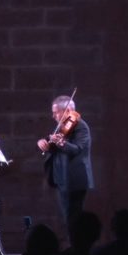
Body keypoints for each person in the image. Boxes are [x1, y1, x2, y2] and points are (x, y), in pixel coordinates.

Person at [36, 94, 94, 229]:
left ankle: (76, 247)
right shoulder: (65, 125)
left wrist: (61, 143)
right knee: (68, 218)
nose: (53, 116)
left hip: (74, 180)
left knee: (73, 218)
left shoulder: (81, 126)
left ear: (67, 111)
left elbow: (77, 149)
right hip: (62, 179)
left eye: (56, 112)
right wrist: (43, 142)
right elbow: (53, 141)